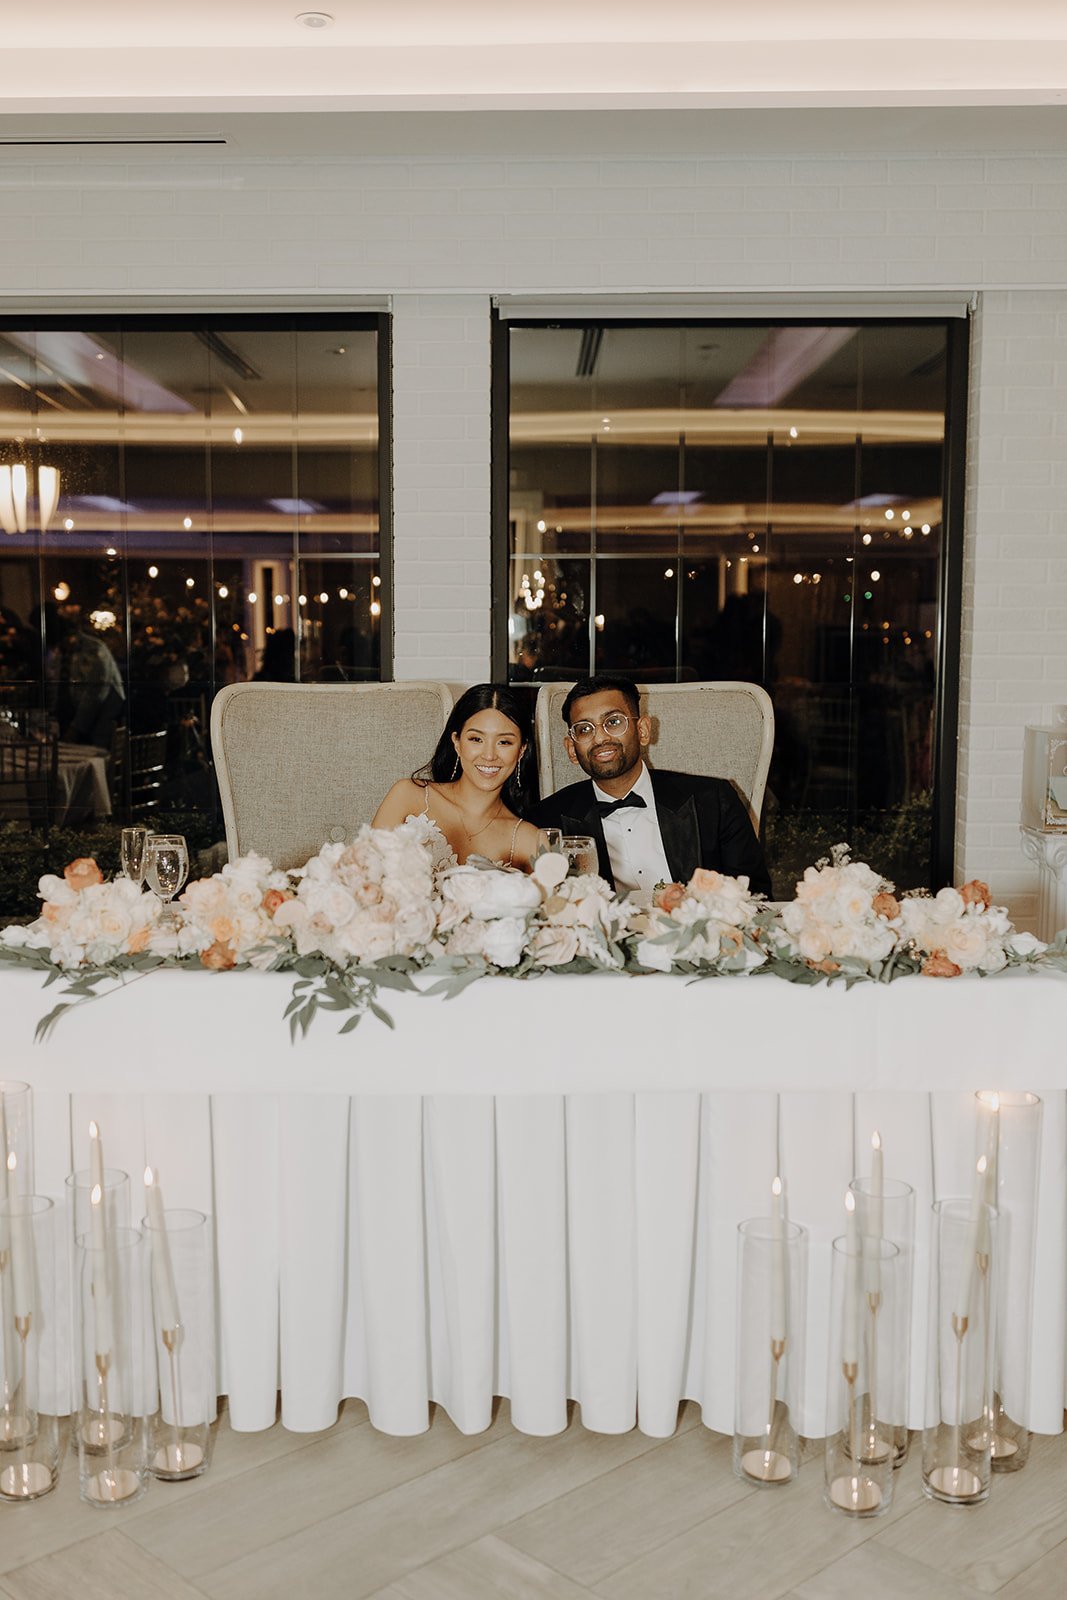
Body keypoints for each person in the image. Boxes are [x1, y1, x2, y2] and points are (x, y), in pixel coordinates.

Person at [530, 674, 773, 898]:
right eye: (584, 729)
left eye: (613, 722)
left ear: (643, 730)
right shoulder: (547, 820)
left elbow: (755, 897)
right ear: (572, 749)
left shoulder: (714, 801)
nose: (601, 738)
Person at [372, 684, 541, 871]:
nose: (489, 755)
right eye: (476, 739)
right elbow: (361, 877)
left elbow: (558, 897)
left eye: (504, 742)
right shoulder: (407, 796)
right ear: (457, 743)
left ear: (521, 750)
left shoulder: (528, 839)